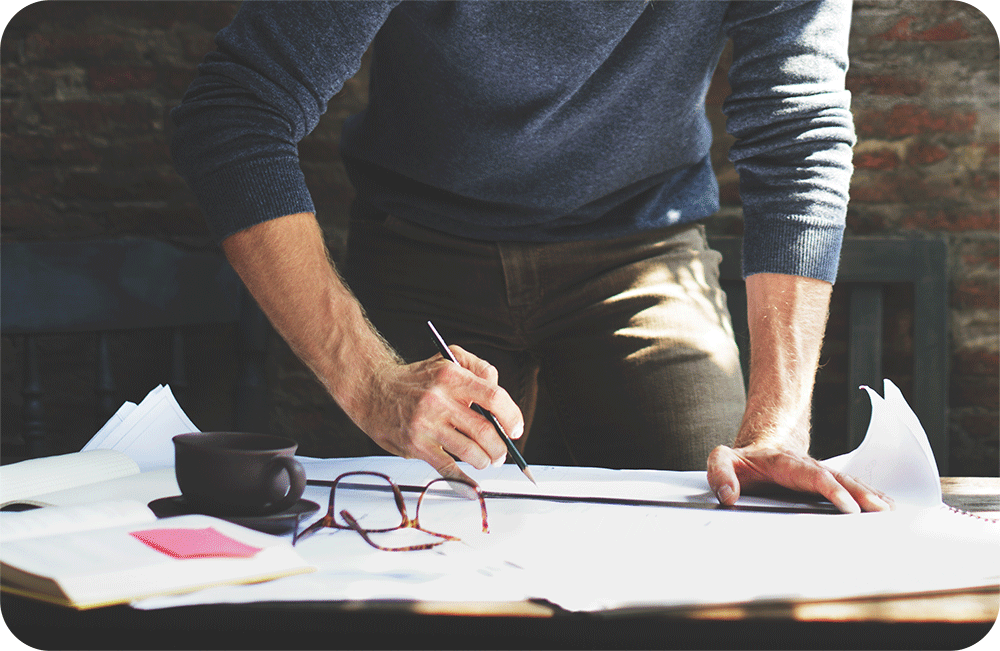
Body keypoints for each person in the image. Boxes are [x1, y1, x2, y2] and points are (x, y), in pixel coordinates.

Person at [171, 0, 892, 513]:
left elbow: (799, 132)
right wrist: (371, 382)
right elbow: (237, 109)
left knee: (725, 521)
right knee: (392, 542)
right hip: (423, 240)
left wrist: (777, 425)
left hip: (646, 246)